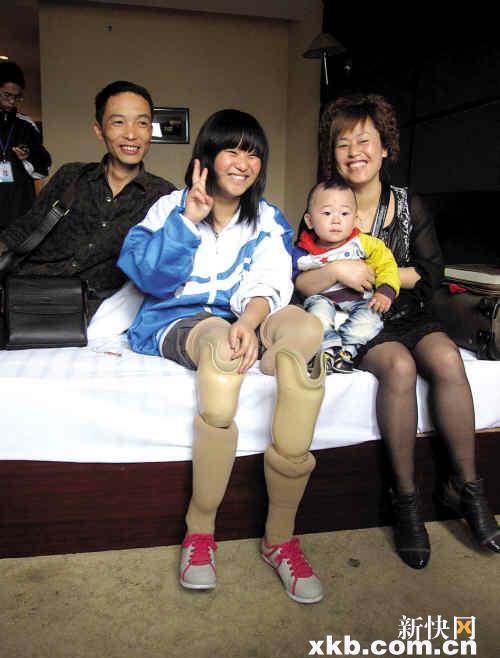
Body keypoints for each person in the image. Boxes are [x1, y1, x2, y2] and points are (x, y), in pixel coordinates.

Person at [118, 109, 326, 603]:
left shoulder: (267, 217)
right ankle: (200, 531)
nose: (243, 163)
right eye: (231, 150)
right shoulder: (168, 208)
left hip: (241, 312)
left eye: (253, 154)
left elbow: (271, 278)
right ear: (207, 156)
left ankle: (280, 539)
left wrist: (250, 323)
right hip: (178, 318)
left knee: (305, 331)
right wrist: (188, 221)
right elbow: (148, 277)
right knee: (221, 351)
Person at [295, 92, 500, 569]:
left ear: (385, 147)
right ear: (333, 154)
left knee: (447, 358)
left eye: (364, 141)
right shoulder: (325, 203)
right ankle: (404, 500)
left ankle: (468, 489)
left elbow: (431, 274)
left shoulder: (408, 205)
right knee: (401, 367)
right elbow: (301, 278)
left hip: (406, 311)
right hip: (356, 318)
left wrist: (382, 275)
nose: (354, 152)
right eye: (342, 144)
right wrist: (340, 272)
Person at [0, 80, 175, 312]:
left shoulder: (163, 196)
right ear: (99, 130)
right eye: (119, 122)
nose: (131, 134)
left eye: (141, 123)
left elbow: (164, 267)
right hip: (29, 295)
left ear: (150, 131)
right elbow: (25, 228)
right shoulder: (71, 176)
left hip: (97, 311)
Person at [293, 177, 400, 373]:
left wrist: (385, 290)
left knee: (371, 318)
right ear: (309, 221)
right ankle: (326, 351)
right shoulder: (303, 251)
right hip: (322, 299)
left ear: (355, 220)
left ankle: (346, 352)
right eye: (327, 213)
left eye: (344, 213)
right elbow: (294, 282)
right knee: (317, 315)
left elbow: (386, 264)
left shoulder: (364, 243)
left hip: (360, 300)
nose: (336, 220)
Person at [0, 61, 51, 229]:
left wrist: (27, 157)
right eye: (6, 95)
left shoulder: (26, 125)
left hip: (19, 212)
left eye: (16, 97)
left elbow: (44, 167)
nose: (11, 102)